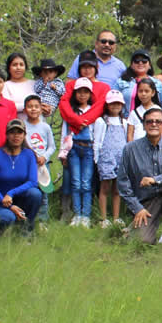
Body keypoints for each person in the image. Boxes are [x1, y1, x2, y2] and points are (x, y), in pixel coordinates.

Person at [116, 107, 162, 247]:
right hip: (146, 201)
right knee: (143, 242)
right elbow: (123, 183)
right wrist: (137, 208)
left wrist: (156, 179)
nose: (154, 124)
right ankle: (131, 230)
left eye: (158, 121)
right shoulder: (130, 149)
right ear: (144, 125)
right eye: (150, 121)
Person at [0, 119, 42, 239]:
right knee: (7, 217)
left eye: (19, 132)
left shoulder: (29, 154)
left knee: (35, 194)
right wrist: (9, 206)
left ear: (24, 135)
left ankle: (26, 229)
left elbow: (33, 182)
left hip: (18, 198)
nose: (16, 136)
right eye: (12, 132)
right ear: (7, 135)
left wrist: (11, 193)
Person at [61, 78, 96, 227]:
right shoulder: (70, 112)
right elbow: (65, 132)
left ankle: (86, 216)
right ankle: (77, 214)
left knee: (86, 183)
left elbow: (96, 131)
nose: (82, 95)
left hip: (88, 148)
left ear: (90, 94)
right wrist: (63, 152)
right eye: (79, 92)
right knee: (75, 182)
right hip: (74, 148)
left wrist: (97, 152)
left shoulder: (93, 111)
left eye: (86, 92)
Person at [91, 90, 129, 228]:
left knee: (117, 189)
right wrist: (97, 158)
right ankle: (103, 218)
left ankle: (116, 217)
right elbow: (97, 141)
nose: (115, 106)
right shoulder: (101, 121)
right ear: (107, 105)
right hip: (106, 158)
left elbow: (126, 141)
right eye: (112, 103)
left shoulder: (124, 122)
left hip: (120, 158)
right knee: (105, 187)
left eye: (118, 103)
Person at [21, 95, 55, 225]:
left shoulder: (45, 127)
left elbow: (52, 146)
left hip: (43, 166)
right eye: (30, 107)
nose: (33, 109)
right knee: (27, 191)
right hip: (28, 166)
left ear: (41, 109)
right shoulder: (23, 126)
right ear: (24, 110)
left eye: (36, 106)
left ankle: (42, 221)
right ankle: (26, 218)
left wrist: (44, 157)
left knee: (44, 194)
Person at [125, 78, 161, 142]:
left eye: (147, 91)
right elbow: (130, 134)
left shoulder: (158, 111)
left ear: (153, 93)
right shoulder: (134, 113)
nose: (143, 94)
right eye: (140, 91)